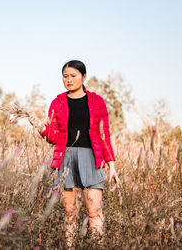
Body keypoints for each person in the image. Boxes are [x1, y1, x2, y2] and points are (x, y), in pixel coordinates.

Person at [28, 60, 121, 247]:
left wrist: (112, 166)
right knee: (70, 211)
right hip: (65, 159)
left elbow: (104, 134)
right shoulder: (57, 102)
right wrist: (40, 127)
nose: (68, 80)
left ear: (84, 77)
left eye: (73, 76)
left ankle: (96, 245)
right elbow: (53, 136)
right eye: (65, 76)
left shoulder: (97, 101)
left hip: (92, 158)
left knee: (94, 211)